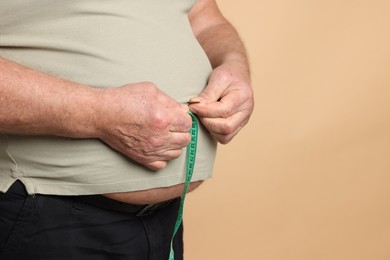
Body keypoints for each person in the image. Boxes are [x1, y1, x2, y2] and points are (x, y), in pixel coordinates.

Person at [0, 0, 254, 259]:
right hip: (43, 212)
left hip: (164, 223)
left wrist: (234, 64)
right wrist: (97, 112)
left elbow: (204, 17)